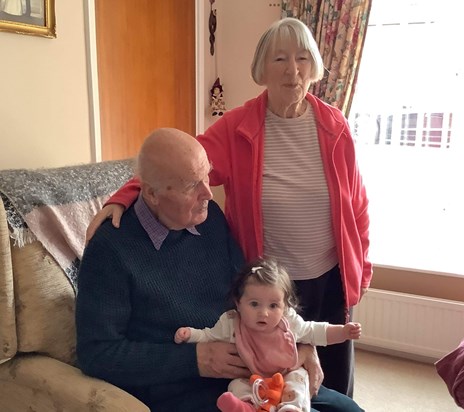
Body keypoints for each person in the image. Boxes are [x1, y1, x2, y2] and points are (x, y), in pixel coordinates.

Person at [86, 17, 372, 398]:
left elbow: (356, 204)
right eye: (280, 59)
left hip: (330, 277)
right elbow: (179, 166)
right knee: (280, 383)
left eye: (303, 58)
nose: (293, 70)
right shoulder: (239, 127)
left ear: (315, 66)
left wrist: (360, 269)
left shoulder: (335, 126)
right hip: (269, 284)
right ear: (262, 70)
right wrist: (124, 194)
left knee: (329, 385)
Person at [76, 128, 364, 412]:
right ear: (151, 193)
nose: (209, 194)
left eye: (207, 176)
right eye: (192, 186)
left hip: (256, 367)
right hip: (184, 389)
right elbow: (97, 353)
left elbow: (253, 295)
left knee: (349, 409)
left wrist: (299, 343)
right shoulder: (110, 250)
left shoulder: (208, 217)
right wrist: (194, 359)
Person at [174, 257, 362, 412]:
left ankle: (292, 408)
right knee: (236, 386)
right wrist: (191, 334)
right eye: (254, 304)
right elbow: (209, 336)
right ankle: (245, 407)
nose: (263, 313)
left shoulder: (288, 322)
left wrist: (343, 332)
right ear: (238, 303)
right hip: (252, 378)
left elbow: (315, 331)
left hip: (286, 372)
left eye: (273, 306)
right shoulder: (231, 322)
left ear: (285, 306)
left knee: (299, 381)